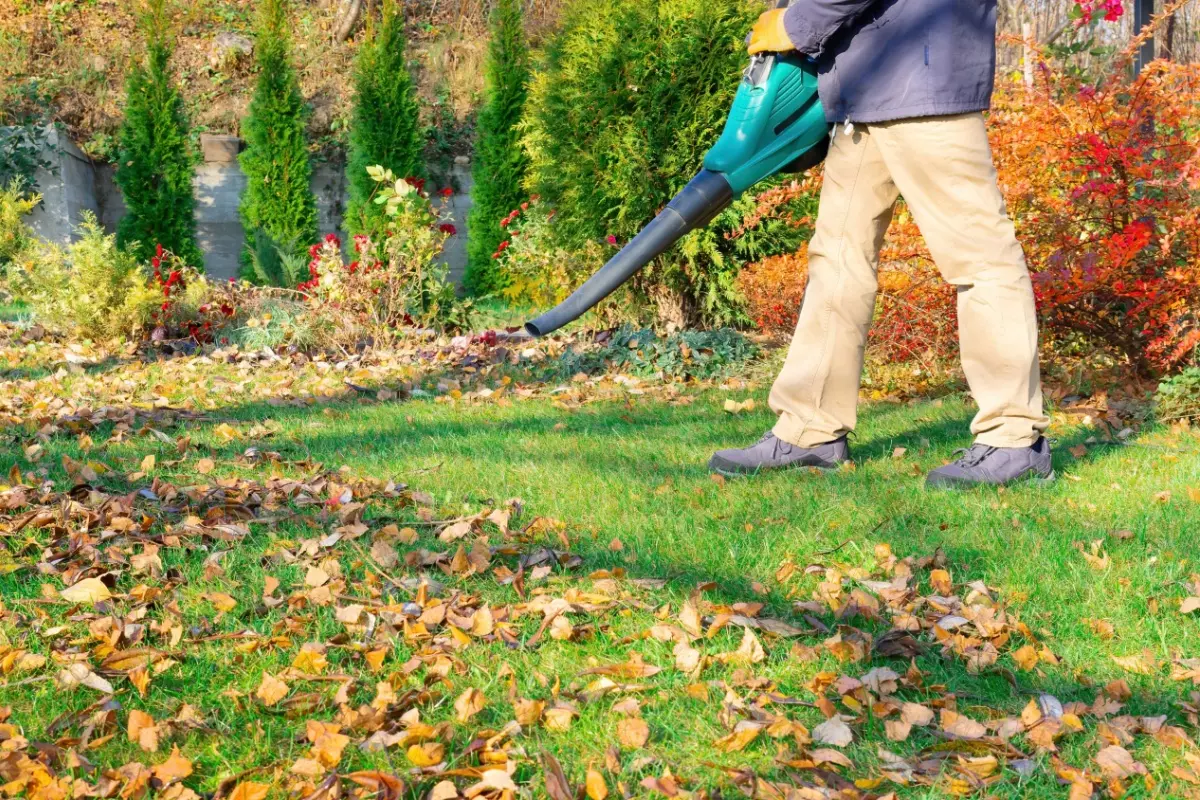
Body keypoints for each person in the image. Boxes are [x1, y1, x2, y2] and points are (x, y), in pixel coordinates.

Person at [709, 0, 1054, 488]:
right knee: (836, 262)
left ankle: (1014, 437)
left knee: (981, 259)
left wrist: (796, 23)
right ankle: (810, 427)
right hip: (863, 86)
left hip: (923, 71)